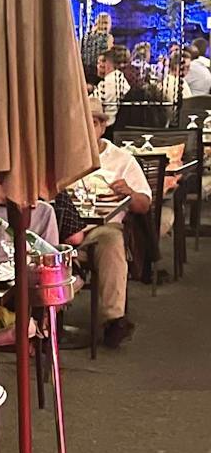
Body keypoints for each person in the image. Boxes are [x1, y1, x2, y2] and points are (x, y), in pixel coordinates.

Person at [75, 97, 153, 348]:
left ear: (102, 125)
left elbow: (144, 204)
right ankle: (39, 317)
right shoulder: (65, 157)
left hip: (104, 226)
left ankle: (113, 320)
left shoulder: (121, 160)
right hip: (66, 226)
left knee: (111, 241)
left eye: (92, 124)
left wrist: (128, 192)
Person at [91, 48, 130, 127]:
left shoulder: (110, 81)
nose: (100, 65)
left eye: (103, 62)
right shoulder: (119, 79)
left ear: (108, 63)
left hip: (108, 126)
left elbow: (91, 104)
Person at [79, 11, 113, 79]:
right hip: (99, 71)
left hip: (84, 71)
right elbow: (109, 57)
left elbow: (80, 53)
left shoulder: (86, 36)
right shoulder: (108, 37)